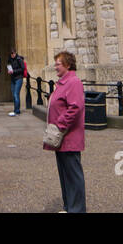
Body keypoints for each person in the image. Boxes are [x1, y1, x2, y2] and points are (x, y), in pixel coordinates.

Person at [44, 50, 85, 212]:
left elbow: (75, 107)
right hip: (61, 138)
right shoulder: (62, 82)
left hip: (68, 136)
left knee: (73, 176)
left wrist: (59, 125)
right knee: (65, 175)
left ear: (67, 65)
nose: (55, 67)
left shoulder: (73, 82)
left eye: (58, 64)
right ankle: (69, 206)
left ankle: (77, 209)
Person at [6, 48, 27, 116]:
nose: (12, 54)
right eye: (11, 53)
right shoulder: (10, 59)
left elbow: (23, 68)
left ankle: (17, 111)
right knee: (14, 95)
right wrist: (9, 70)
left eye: (13, 53)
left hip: (19, 78)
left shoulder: (19, 59)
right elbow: (9, 65)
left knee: (16, 94)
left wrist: (14, 71)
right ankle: (15, 109)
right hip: (13, 78)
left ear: (15, 53)